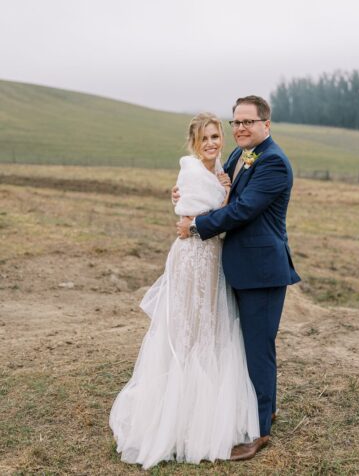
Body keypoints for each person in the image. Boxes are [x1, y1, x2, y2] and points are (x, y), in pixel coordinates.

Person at [109, 113, 260, 470]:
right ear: (194, 142)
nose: (212, 143)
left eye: (215, 136)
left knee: (209, 329)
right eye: (205, 138)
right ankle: (175, 417)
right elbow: (203, 215)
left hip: (211, 258)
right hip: (193, 257)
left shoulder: (219, 167)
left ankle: (202, 412)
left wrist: (222, 187)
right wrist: (221, 193)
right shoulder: (193, 170)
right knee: (188, 331)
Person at [176, 95, 301, 461]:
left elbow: (243, 210)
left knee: (257, 349)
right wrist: (186, 193)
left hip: (262, 273)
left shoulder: (274, 162)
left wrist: (196, 224)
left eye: (248, 122)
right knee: (247, 345)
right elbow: (218, 186)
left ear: (266, 123)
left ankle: (259, 430)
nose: (241, 128)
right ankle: (265, 407)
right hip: (241, 268)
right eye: (237, 122)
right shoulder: (241, 155)